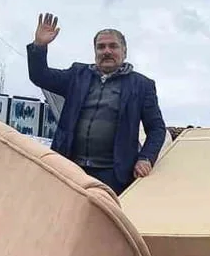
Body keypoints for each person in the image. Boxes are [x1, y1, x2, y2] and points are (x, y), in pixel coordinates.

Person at [26, 13, 166, 195]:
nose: (106, 51)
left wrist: (146, 158)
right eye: (101, 47)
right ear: (95, 52)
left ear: (124, 51)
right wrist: (39, 45)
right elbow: (40, 76)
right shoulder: (77, 75)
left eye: (113, 46)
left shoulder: (142, 85)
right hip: (70, 168)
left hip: (114, 175)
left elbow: (156, 128)